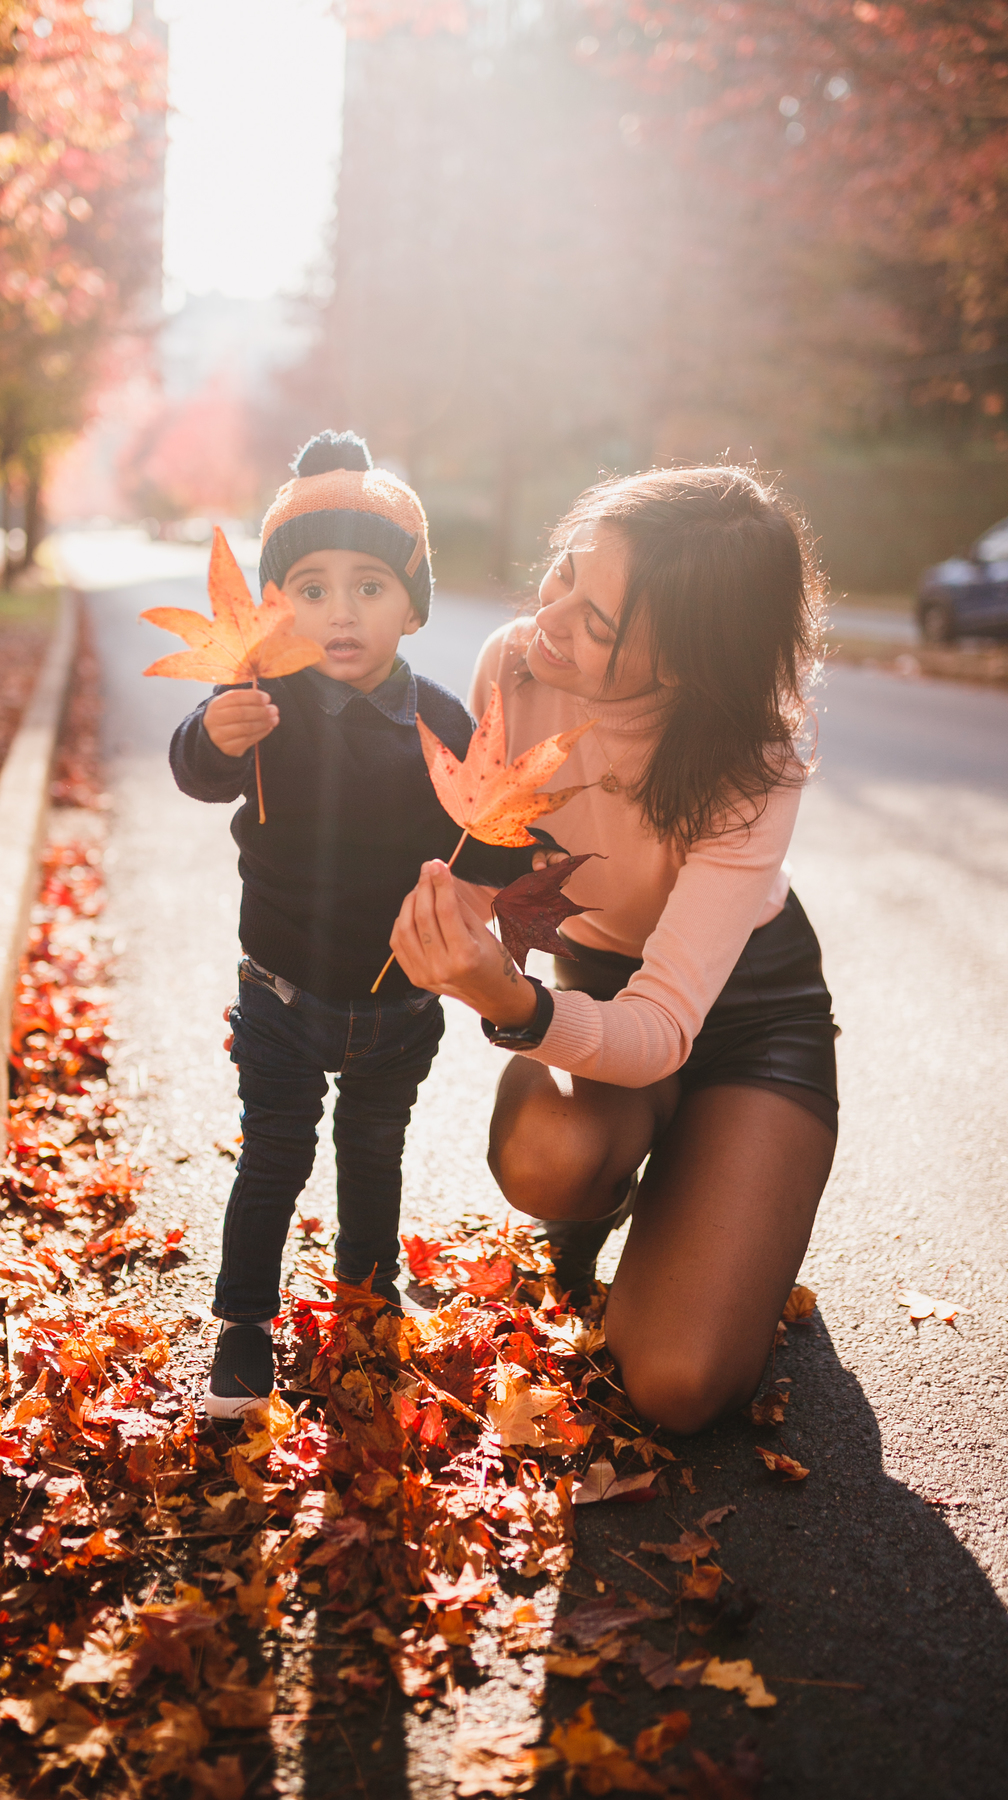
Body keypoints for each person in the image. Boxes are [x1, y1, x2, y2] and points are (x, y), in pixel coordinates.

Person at [389, 466, 839, 1436]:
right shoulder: (514, 667)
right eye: (562, 575)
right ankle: (611, 1183)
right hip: (597, 983)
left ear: (685, 659)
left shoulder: (753, 766)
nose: (549, 617)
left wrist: (510, 1004)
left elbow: (664, 1025)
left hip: (750, 1019)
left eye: (595, 621)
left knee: (676, 1387)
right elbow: (480, 861)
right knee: (552, 1159)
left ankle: (720, 1179)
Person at [169, 431, 544, 1417]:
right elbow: (197, 772)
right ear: (276, 607)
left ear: (413, 606)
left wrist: (496, 861)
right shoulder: (259, 700)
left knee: (374, 1150)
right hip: (281, 991)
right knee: (275, 1153)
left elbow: (493, 831)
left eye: (371, 587)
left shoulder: (442, 720)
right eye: (313, 587)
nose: (341, 610)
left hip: (398, 1000)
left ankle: (367, 1301)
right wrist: (211, 735)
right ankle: (245, 1321)